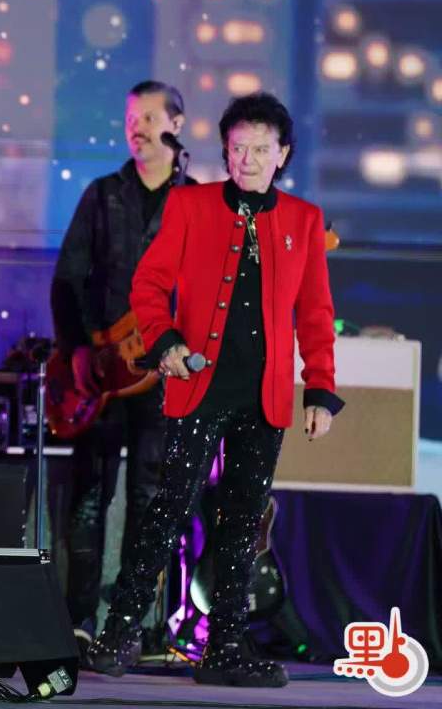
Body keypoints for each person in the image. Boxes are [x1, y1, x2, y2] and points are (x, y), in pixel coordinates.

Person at [85, 92, 343, 687]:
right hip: (200, 384)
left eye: (260, 149)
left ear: (282, 154)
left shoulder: (304, 220)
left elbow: (315, 313)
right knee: (169, 505)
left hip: (265, 394)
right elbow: (149, 285)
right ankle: (118, 632)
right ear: (225, 152)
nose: (247, 160)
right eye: (237, 148)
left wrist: (320, 389)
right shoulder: (190, 205)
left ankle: (224, 646)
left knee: (245, 519)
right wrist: (166, 341)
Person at [50, 80, 189, 649]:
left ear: (176, 126)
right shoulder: (102, 195)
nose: (137, 128)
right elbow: (67, 279)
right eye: (131, 118)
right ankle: (77, 620)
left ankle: (132, 624)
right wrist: (80, 349)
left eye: (149, 117)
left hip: (167, 375)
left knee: (150, 496)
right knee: (89, 495)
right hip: (103, 373)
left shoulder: (198, 202)